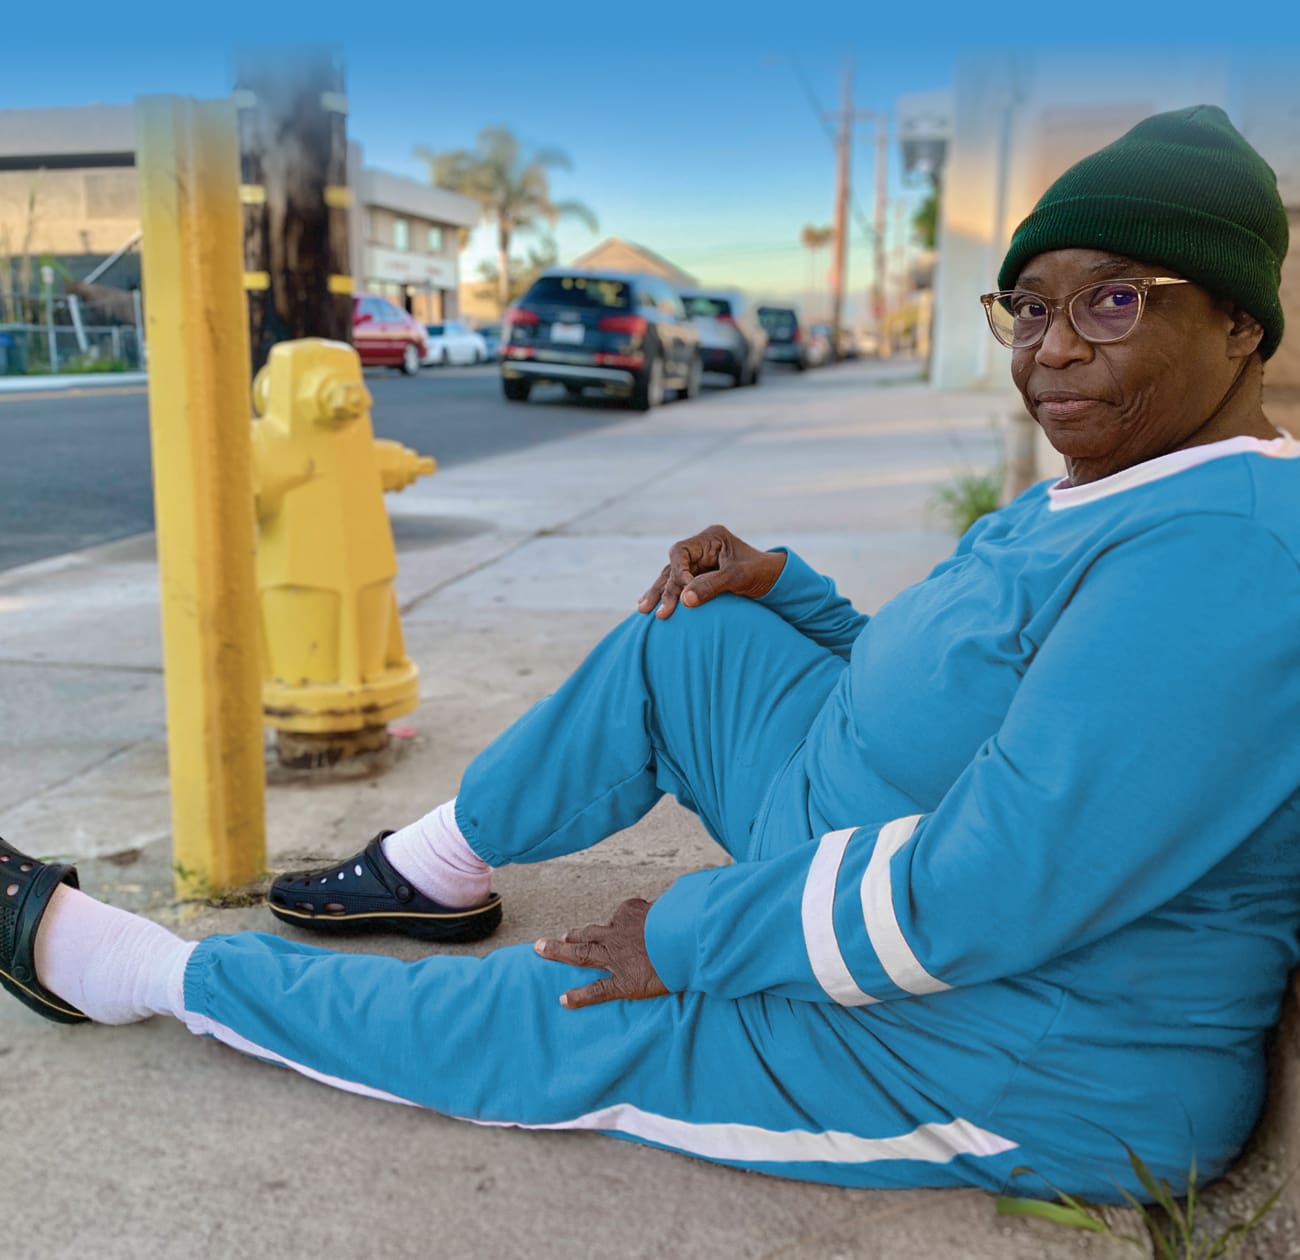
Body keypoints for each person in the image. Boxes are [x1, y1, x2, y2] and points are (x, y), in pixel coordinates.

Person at [3, 104, 1297, 1204]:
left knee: (579, 1006)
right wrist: (792, 590)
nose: (1053, 344)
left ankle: (136, 974)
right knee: (693, 637)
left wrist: (682, 934)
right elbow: (970, 682)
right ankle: (432, 871)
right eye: (1027, 304)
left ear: (1241, 327)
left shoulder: (1228, 556)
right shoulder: (1131, 472)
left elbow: (987, 889)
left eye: (1114, 300)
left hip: (1014, 1045)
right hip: (857, 828)